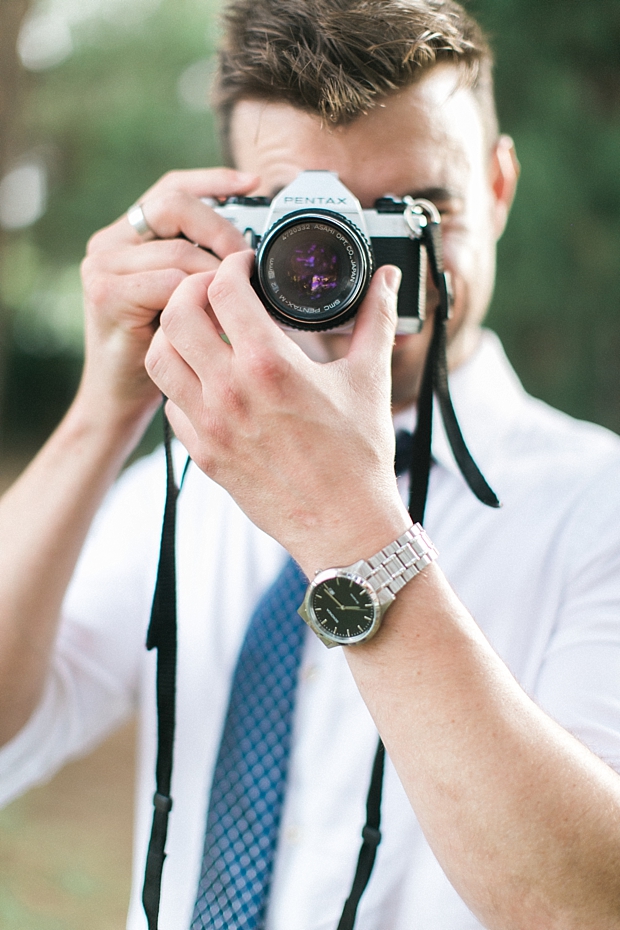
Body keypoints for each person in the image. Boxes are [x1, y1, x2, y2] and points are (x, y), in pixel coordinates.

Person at [2, 0, 620, 928]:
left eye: (416, 211)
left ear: (496, 189)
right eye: (310, 220)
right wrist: (105, 408)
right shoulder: (182, 490)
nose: (362, 266)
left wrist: (349, 525)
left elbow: (586, 904)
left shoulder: (598, 505)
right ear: (229, 216)